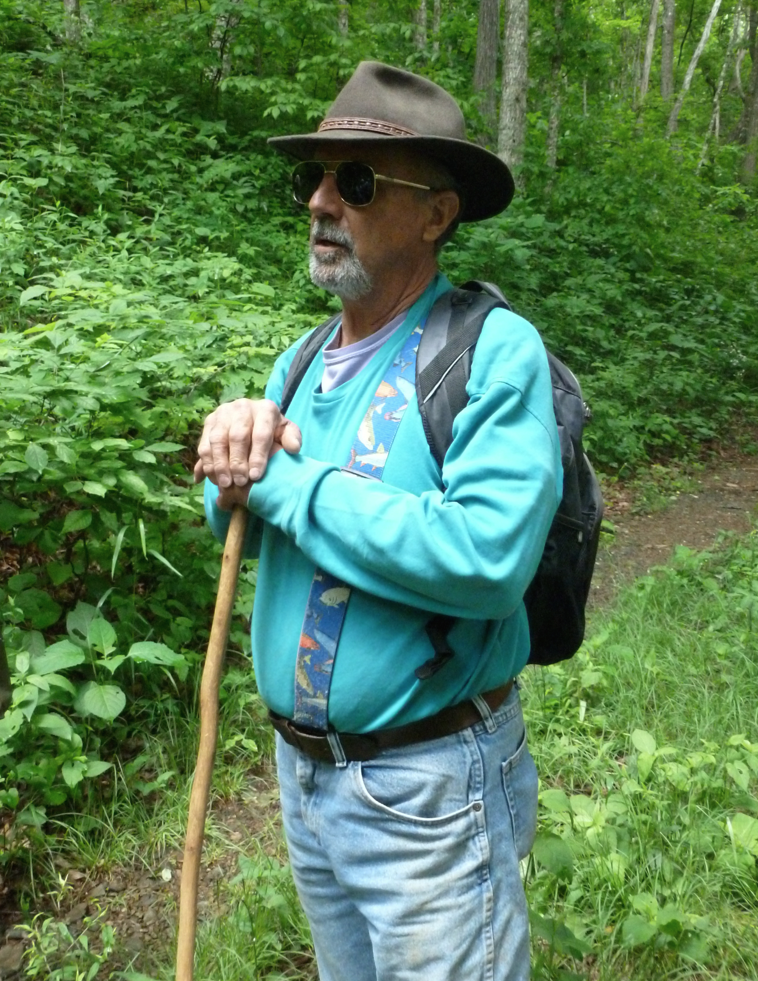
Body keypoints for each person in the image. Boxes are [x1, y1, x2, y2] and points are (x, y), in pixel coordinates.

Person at [195, 61, 562, 981]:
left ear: (436, 214)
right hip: (305, 781)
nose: (321, 200)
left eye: (355, 182)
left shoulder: (488, 352)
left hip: (428, 787)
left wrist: (279, 481)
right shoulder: (302, 359)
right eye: (313, 178)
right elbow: (232, 514)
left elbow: (484, 557)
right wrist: (234, 451)